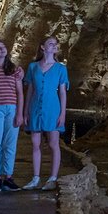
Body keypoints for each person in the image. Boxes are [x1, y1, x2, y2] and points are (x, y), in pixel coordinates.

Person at [24, 36, 68, 191]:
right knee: (36, 144)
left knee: (53, 143)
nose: (54, 46)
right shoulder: (33, 67)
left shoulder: (61, 69)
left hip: (52, 108)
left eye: (56, 44)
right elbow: (30, 90)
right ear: (42, 47)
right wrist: (25, 111)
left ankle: (52, 178)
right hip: (35, 107)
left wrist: (62, 114)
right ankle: (35, 178)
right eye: (51, 43)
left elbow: (62, 92)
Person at [0, 40, 25, 190]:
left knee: (10, 143)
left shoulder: (13, 69)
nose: (2, 49)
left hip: (12, 108)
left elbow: (19, 92)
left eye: (3, 47)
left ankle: (8, 176)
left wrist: (20, 113)